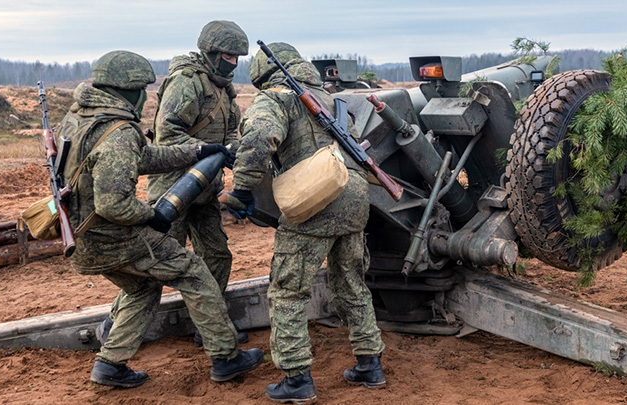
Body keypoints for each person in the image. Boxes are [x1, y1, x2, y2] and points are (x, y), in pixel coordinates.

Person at [58, 50, 263, 388]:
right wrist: (152, 215)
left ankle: (110, 365)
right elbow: (115, 205)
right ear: (130, 91)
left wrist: (199, 151)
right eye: (143, 89)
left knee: (142, 289)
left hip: (84, 238)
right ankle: (226, 358)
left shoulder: (81, 120)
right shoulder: (118, 132)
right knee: (194, 273)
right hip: (113, 238)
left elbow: (145, 156)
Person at [221, 42, 386, 404]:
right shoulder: (331, 101)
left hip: (315, 197)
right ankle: (370, 363)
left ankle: (297, 378)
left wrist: (244, 190)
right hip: (355, 196)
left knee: (288, 291)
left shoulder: (275, 99)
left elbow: (259, 138)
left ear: (262, 75)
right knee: (352, 282)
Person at [99, 20, 250, 346]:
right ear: (210, 52)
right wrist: (206, 154)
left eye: (238, 57)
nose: (233, 63)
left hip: (206, 189)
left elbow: (230, 135)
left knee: (218, 255)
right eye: (228, 55)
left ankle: (211, 328)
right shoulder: (187, 83)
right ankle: (112, 327)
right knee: (158, 263)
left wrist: (232, 152)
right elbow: (168, 137)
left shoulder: (223, 87)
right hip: (174, 187)